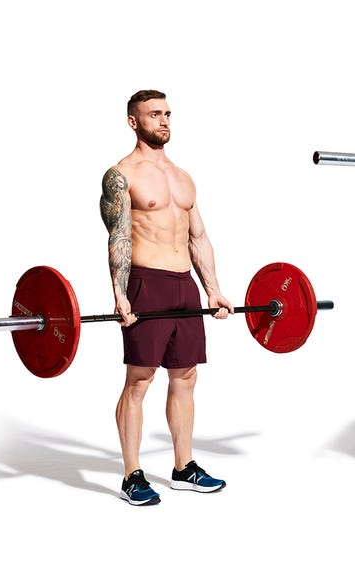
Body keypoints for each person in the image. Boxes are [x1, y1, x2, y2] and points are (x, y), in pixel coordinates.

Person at [99, 89, 233, 506]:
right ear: (133, 122)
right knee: (139, 380)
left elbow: (199, 237)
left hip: (184, 286)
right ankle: (131, 475)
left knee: (186, 376)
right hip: (147, 282)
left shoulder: (183, 177)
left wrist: (213, 289)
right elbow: (118, 236)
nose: (164, 121)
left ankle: (183, 467)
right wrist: (120, 294)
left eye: (167, 114)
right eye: (154, 114)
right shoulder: (121, 174)